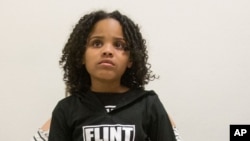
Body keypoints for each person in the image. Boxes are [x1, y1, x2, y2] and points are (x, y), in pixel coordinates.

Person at [38, 10, 180, 141]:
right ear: (81, 55)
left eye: (118, 45)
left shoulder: (149, 104)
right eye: (97, 43)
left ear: (130, 59)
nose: (107, 51)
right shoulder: (66, 109)